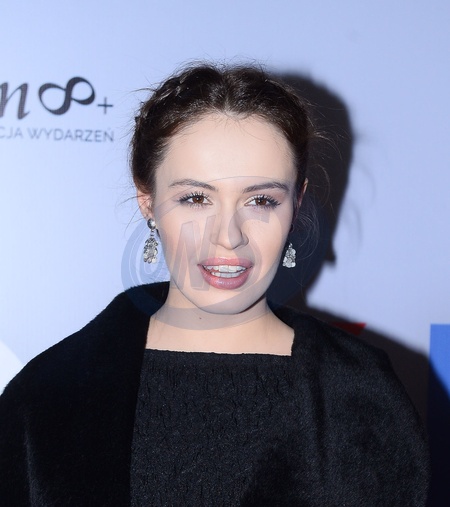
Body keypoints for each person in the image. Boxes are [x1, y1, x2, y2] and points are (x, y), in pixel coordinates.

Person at [0, 63, 429, 506]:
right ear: (147, 200)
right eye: (195, 198)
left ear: (297, 204)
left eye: (261, 200)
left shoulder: (362, 397)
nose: (229, 236)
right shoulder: (48, 397)